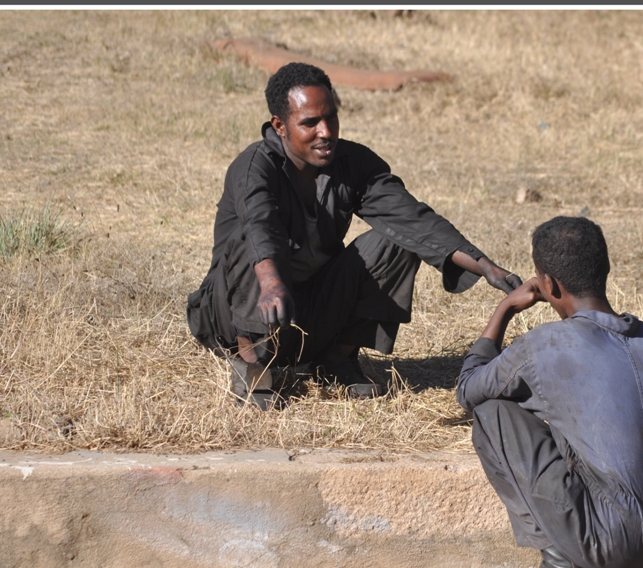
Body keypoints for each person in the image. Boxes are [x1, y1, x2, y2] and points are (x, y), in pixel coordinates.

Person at [187, 62, 522, 408]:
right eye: (310, 123)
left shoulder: (352, 163)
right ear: (280, 126)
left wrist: (486, 266)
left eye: (330, 117)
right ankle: (252, 365)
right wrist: (271, 282)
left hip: (305, 316)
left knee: (398, 238)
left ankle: (336, 359)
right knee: (252, 243)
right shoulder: (253, 167)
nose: (325, 131)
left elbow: (413, 219)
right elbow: (258, 225)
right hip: (233, 316)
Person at [456, 216, 643, 568]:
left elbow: (467, 389)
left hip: (612, 541)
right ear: (605, 270)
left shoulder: (545, 346)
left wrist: (505, 309)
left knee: (491, 412)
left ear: (548, 285)